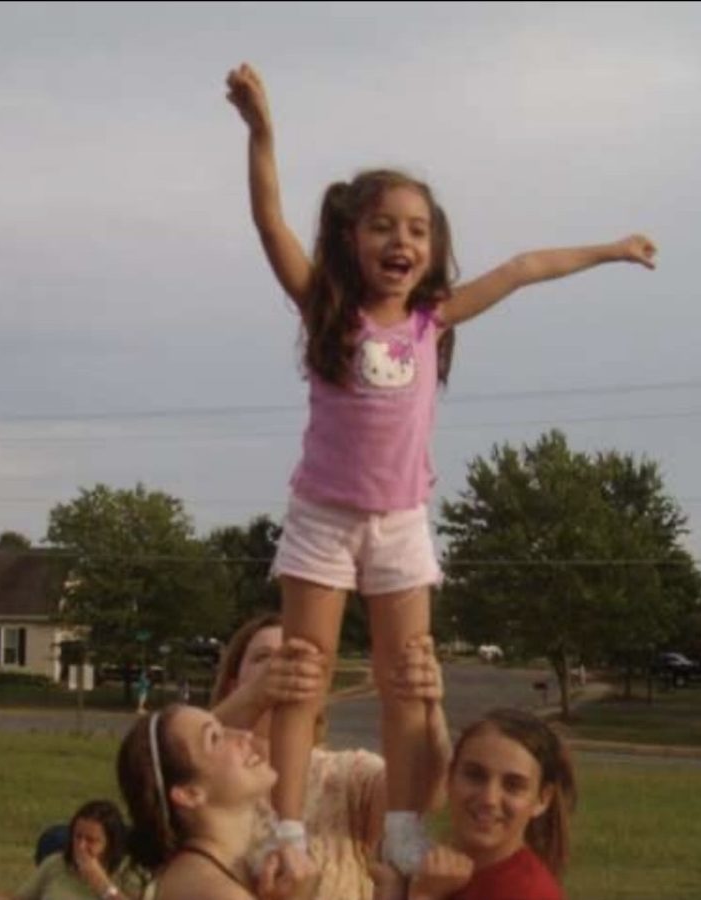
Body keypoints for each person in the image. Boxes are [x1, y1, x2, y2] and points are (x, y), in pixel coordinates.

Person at [225, 61, 656, 875]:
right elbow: (269, 225)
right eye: (385, 225)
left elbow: (526, 266)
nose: (402, 241)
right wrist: (262, 135)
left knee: (407, 680)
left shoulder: (433, 318)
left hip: (398, 522)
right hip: (322, 514)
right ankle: (284, 828)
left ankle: (400, 826)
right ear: (353, 237)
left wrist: (611, 249)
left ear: (434, 248)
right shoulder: (328, 308)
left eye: (418, 230)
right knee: (300, 675)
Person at [210, 612, 451, 900]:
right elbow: (159, 759)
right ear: (232, 685)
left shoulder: (346, 774)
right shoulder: (205, 775)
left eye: (303, 663)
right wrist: (251, 699)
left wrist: (429, 710)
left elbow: (424, 795)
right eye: (264, 658)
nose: (287, 668)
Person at [372, 708, 577, 900]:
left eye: (513, 785)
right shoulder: (440, 872)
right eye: (475, 775)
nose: (489, 798)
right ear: (450, 777)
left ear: (542, 799)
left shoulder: (528, 892)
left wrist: (423, 894)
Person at [117, 703, 316, 900]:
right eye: (214, 738)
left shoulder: (202, 872)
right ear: (190, 794)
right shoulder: (216, 892)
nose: (244, 736)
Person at [6, 799, 138, 900]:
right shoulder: (56, 863)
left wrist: (102, 883)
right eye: (77, 836)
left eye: (91, 840)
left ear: (110, 844)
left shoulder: (127, 875)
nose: (81, 846)